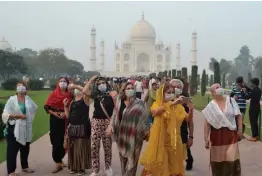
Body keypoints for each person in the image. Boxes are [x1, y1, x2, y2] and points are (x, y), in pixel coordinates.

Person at [139, 83, 193, 176]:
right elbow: (155, 112)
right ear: (162, 93)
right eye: (168, 92)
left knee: (173, 170)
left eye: (173, 92)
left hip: (175, 142)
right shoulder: (157, 104)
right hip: (161, 143)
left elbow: (187, 118)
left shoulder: (178, 107)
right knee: (161, 169)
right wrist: (172, 103)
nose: (171, 94)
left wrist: (191, 110)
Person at [107, 82, 150, 176]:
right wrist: (111, 126)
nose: (130, 90)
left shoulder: (139, 103)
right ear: (124, 91)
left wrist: (146, 132)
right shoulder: (119, 101)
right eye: (128, 88)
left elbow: (144, 118)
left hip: (135, 137)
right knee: (123, 161)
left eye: (132, 88)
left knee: (132, 163)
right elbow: (114, 116)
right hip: (121, 137)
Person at [202, 83, 243, 176]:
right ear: (212, 93)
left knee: (231, 160)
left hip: (231, 136)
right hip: (217, 138)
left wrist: (240, 130)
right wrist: (206, 138)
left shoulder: (231, 101)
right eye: (216, 88)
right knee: (218, 162)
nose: (219, 89)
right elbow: (207, 123)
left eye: (220, 86)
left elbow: (239, 116)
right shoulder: (211, 106)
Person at [2, 82, 38, 176]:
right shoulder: (12, 100)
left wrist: (29, 117)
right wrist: (17, 116)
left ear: (26, 89)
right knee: (12, 150)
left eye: (23, 86)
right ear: (16, 88)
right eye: (18, 86)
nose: (21, 87)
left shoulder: (28, 99)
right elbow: (5, 114)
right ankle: (11, 171)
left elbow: (35, 108)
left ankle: (25, 166)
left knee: (25, 147)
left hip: (26, 126)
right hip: (14, 127)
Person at [86, 76, 115, 176]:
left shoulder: (112, 94)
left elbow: (116, 110)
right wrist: (91, 80)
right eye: (98, 84)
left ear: (107, 84)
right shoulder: (95, 95)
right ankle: (96, 170)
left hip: (107, 123)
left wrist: (111, 124)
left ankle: (107, 168)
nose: (101, 85)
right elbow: (85, 91)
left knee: (107, 147)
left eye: (103, 83)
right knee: (94, 147)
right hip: (96, 122)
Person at [44, 77, 73, 173]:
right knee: (56, 140)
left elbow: (73, 106)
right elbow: (47, 107)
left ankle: (60, 159)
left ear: (67, 83)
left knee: (65, 140)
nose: (62, 83)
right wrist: (55, 113)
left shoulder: (70, 95)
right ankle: (57, 162)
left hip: (66, 120)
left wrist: (65, 113)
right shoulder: (53, 94)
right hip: (55, 120)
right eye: (61, 81)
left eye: (64, 81)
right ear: (58, 83)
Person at [63, 81, 92, 175]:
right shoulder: (72, 102)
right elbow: (68, 116)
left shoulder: (85, 99)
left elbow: (85, 92)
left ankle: (81, 168)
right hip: (72, 127)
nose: (77, 89)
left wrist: (76, 85)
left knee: (81, 147)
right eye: (76, 88)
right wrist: (65, 106)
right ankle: (73, 166)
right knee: (73, 148)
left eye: (79, 87)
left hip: (82, 128)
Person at [170, 79, 194, 171]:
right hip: (169, 134)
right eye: (174, 87)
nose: (176, 89)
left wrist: (191, 137)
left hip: (182, 131)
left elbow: (190, 121)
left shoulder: (186, 102)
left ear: (182, 89)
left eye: (178, 87)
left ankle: (189, 159)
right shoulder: (167, 101)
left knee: (184, 148)